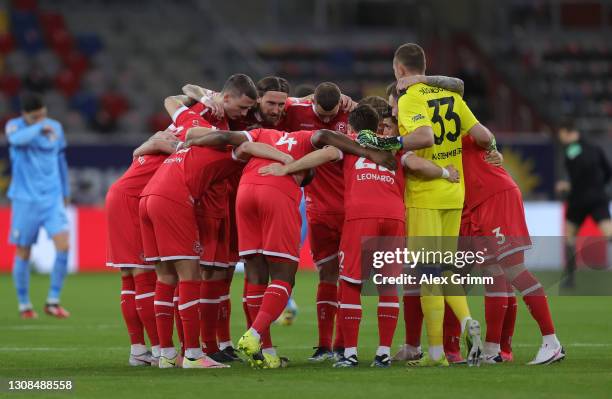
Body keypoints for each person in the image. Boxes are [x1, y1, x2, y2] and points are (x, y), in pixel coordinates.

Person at [185, 124, 396, 368]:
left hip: (245, 193)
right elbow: (325, 136)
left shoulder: (261, 133)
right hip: (276, 193)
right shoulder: (306, 140)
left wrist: (191, 141)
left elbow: (228, 139)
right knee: (285, 276)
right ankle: (254, 334)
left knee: (255, 275)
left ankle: (268, 352)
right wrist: (368, 153)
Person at [358, 42, 494, 367]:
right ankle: (465, 322)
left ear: (399, 69)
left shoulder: (410, 99)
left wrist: (388, 142)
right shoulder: (453, 97)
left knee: (427, 273)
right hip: (454, 191)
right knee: (445, 269)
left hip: (425, 194)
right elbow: (485, 136)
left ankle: (435, 354)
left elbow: (425, 137)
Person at [6, 92, 71, 319]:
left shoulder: (56, 127)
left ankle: (53, 301)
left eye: (43, 115)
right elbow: (15, 141)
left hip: (52, 198)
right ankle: (24, 304)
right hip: (25, 200)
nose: (41, 119)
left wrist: (65, 191)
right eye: (35, 117)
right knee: (24, 250)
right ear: (24, 115)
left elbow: (60, 159)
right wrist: (38, 128)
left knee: (63, 245)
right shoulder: (14, 127)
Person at [556, 120, 611, 288]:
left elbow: (577, 173)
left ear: (569, 133)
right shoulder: (596, 148)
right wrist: (598, 187)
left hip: (578, 201)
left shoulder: (571, 151)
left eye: (562, 135)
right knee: (609, 233)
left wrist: (566, 185)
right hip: (598, 198)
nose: (561, 139)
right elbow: (608, 172)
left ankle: (569, 279)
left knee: (570, 237)